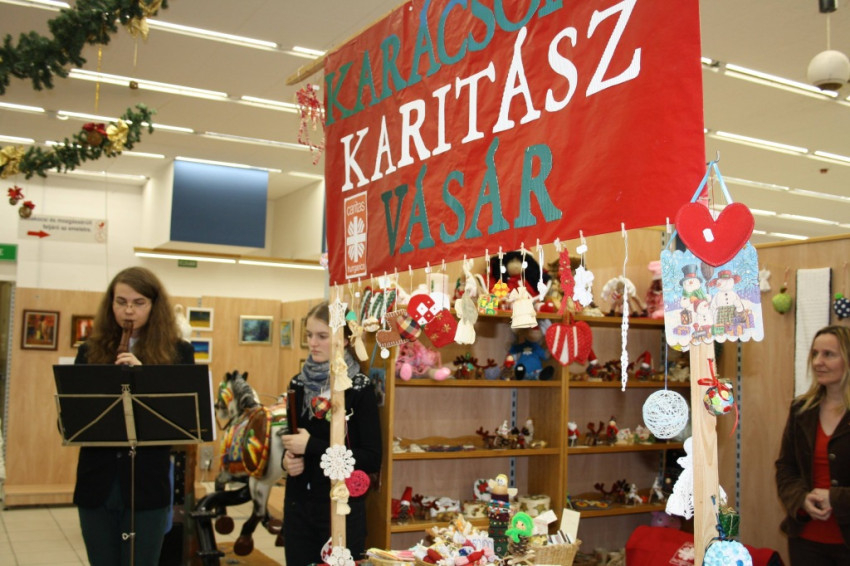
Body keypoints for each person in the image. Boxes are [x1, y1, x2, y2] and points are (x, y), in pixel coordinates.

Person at [73, 267, 196, 566]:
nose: (129, 310)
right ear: (111, 304)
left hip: (147, 483)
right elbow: (73, 421)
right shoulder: (89, 351)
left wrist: (144, 380)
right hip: (97, 484)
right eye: (121, 302)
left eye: (139, 303)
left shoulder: (179, 353)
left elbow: (184, 424)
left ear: (154, 306)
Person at [281, 301, 382, 566]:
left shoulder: (358, 388)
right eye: (309, 335)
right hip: (298, 508)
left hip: (341, 510)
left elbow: (371, 458)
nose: (313, 343)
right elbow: (293, 440)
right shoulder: (298, 383)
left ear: (344, 340)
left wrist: (312, 446)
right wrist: (287, 460)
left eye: (322, 336)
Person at [776, 325, 850, 565]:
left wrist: (835, 499)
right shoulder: (801, 410)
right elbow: (786, 468)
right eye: (815, 354)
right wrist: (801, 499)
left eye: (829, 354)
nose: (818, 362)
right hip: (806, 542)